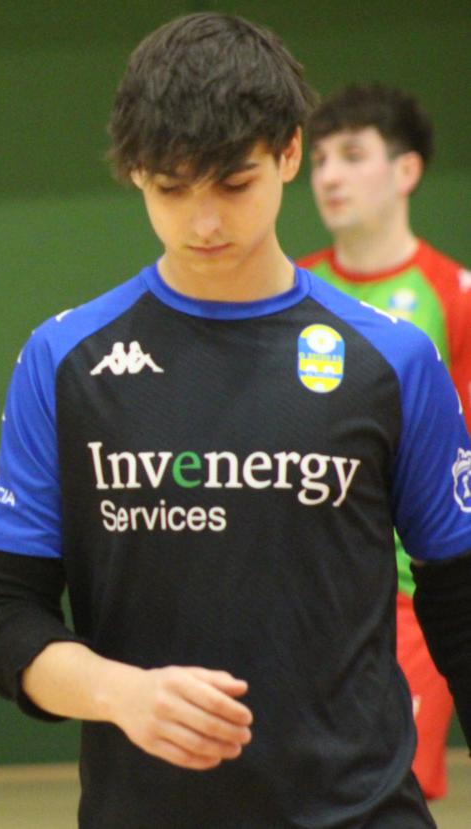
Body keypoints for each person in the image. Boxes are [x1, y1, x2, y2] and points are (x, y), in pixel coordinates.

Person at [0, 12, 471, 828]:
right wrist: (120, 692)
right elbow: (2, 615)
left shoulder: (393, 359)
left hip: (362, 811)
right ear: (135, 171)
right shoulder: (65, 360)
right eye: (171, 188)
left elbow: (459, 600)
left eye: (234, 184)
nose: (204, 222)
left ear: (289, 154)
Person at [298, 84, 467, 801]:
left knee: (385, 792)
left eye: (352, 155)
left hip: (406, 596)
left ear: (406, 171)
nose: (329, 176)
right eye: (319, 159)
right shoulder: (290, 289)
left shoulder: (453, 295)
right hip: (301, 592)